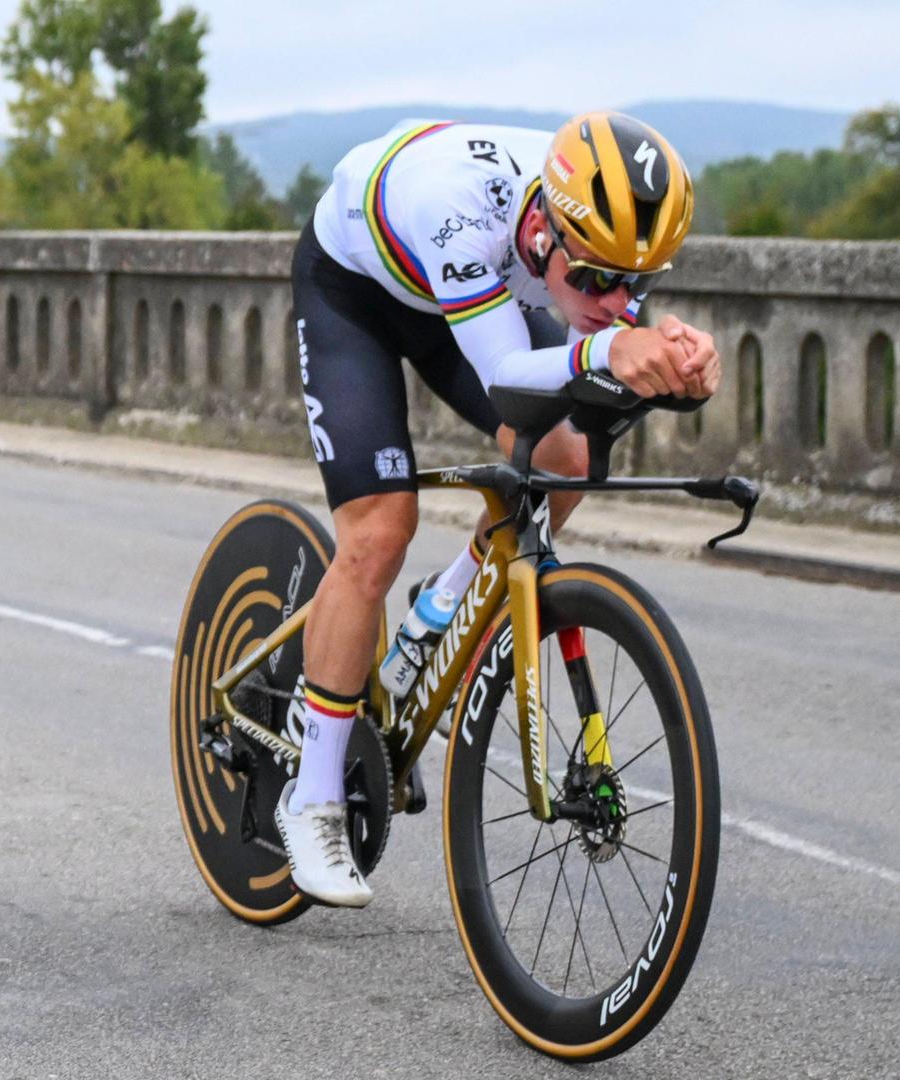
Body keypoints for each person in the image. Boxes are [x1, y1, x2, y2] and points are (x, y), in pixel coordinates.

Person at [276, 111, 721, 906]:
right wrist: (611, 347)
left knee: (566, 460)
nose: (617, 301)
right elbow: (510, 374)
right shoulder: (457, 209)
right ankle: (311, 799)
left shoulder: (588, 239)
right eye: (597, 281)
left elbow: (596, 366)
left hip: (466, 296)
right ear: (545, 233)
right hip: (356, 294)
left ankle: (442, 608)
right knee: (380, 531)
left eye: (639, 284)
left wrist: (678, 364)